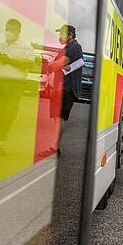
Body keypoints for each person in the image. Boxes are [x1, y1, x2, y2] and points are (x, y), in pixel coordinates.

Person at [0, 19, 35, 155]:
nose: (8, 32)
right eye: (7, 29)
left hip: (12, 84)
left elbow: (30, 64)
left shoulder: (26, 46)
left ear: (19, 32)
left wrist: (10, 60)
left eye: (12, 30)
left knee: (7, 112)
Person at [48, 24, 83, 157]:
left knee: (60, 117)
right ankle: (54, 146)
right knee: (57, 118)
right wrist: (57, 65)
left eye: (62, 34)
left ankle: (55, 148)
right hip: (60, 87)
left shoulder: (74, 47)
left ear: (70, 35)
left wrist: (56, 65)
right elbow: (56, 65)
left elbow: (57, 64)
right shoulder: (66, 48)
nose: (59, 37)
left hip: (67, 88)